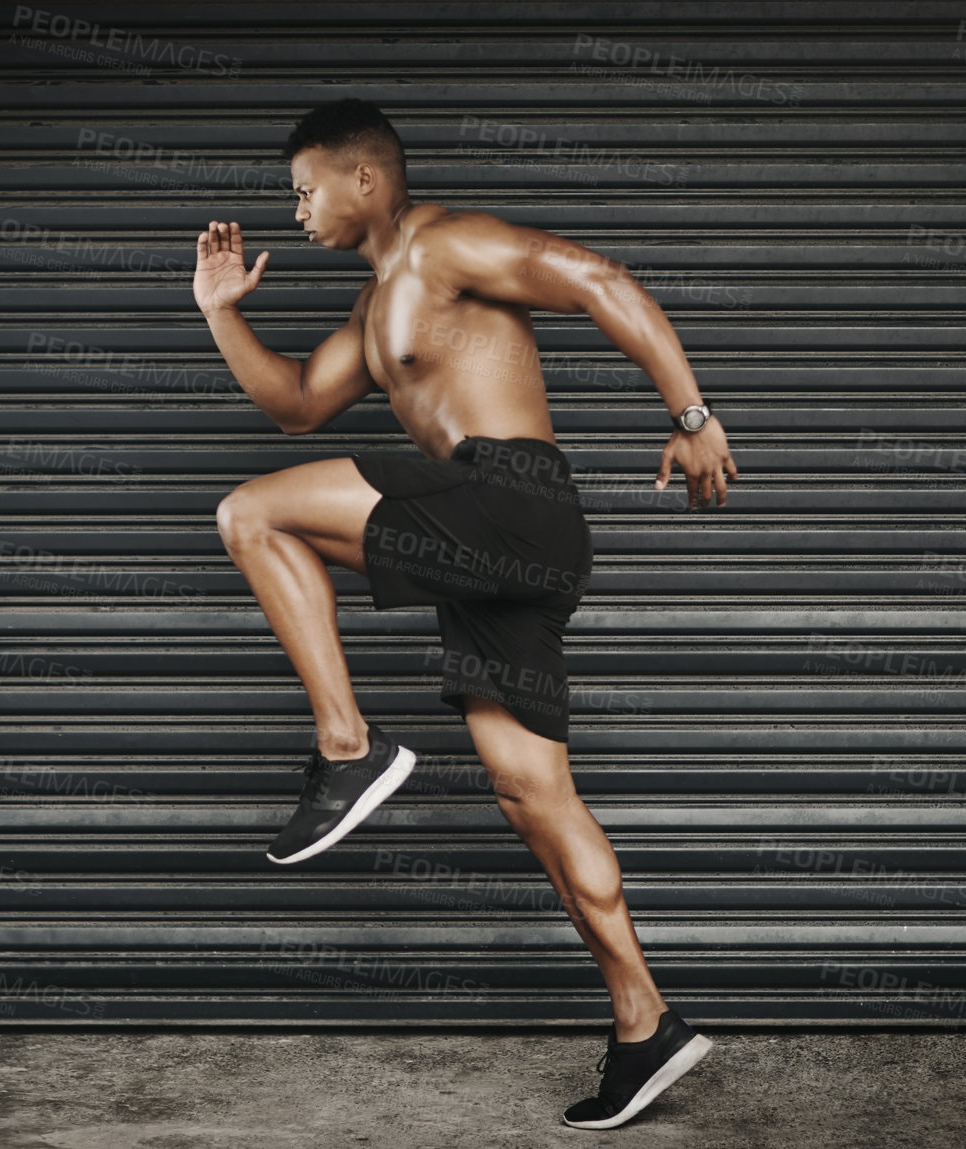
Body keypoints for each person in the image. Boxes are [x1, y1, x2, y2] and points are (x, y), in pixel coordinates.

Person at [194, 97, 737, 1131]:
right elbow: (300, 404)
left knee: (250, 513)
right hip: (493, 547)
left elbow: (595, 280)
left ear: (365, 179)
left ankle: (347, 748)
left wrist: (693, 416)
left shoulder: (447, 243)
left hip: (508, 501)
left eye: (304, 190)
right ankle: (644, 1025)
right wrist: (222, 310)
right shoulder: (370, 312)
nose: (296, 212)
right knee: (535, 796)